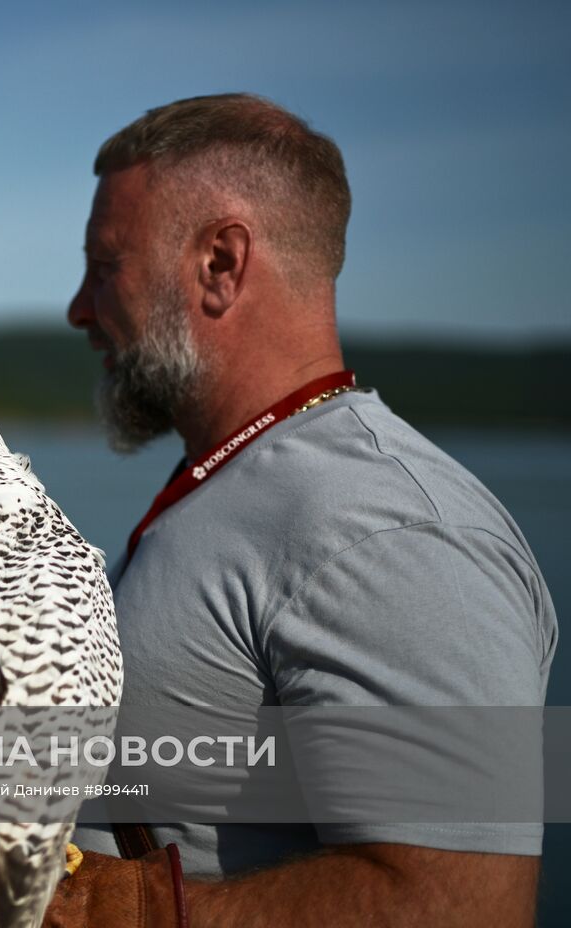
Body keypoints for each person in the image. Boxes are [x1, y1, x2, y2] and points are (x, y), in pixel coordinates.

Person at [50, 94, 557, 926]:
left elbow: (461, 909)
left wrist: (100, 911)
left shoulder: (383, 526)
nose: (78, 306)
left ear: (221, 262)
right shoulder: (240, 481)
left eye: (105, 265)